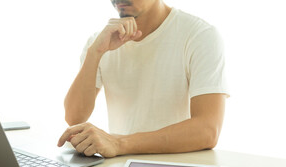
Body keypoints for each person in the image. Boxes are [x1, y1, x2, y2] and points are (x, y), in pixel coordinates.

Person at [57, 0, 228, 158]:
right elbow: (74, 117)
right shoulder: (100, 41)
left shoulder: (199, 35)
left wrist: (119, 143)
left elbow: (208, 130)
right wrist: (95, 53)